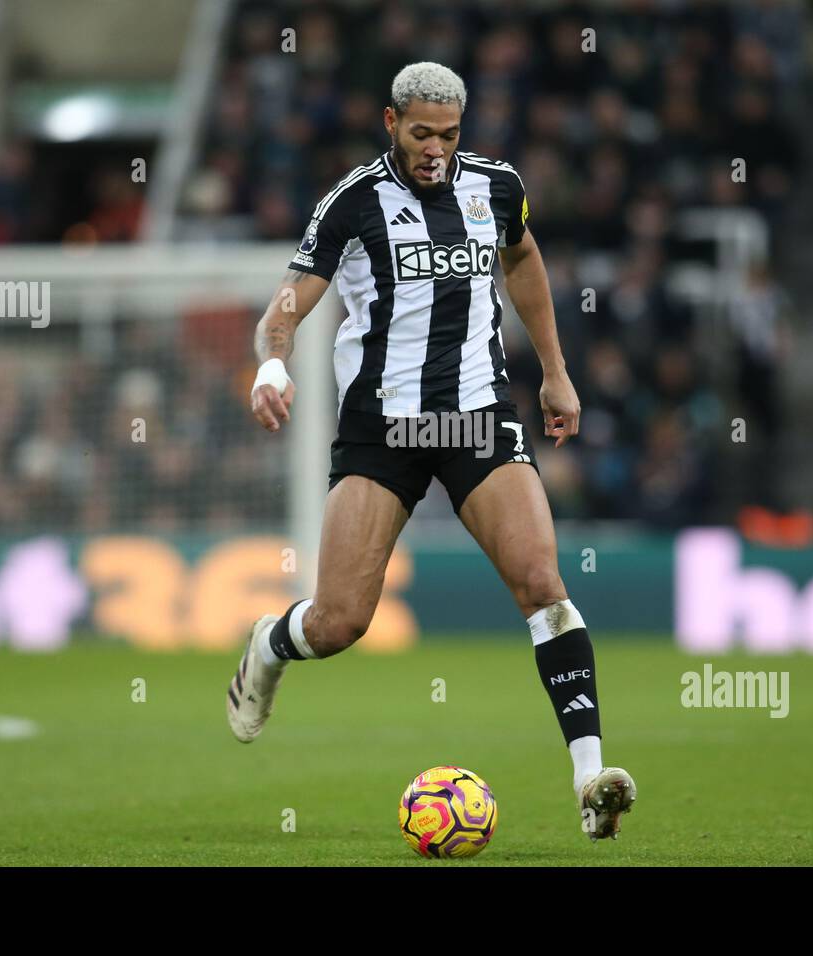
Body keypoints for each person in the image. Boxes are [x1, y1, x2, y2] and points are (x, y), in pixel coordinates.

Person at [230, 63, 636, 839]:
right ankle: (273, 643)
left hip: (477, 418)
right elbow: (285, 304)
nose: (435, 151)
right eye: (421, 134)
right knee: (341, 621)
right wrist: (273, 361)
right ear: (391, 122)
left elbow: (521, 259)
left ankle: (591, 781)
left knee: (542, 582)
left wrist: (554, 371)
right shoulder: (351, 203)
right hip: (383, 429)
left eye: (449, 136)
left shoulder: (496, 187)